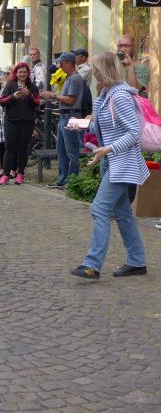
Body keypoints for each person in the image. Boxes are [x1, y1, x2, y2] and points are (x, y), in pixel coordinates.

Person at [68, 52, 149, 280]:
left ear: (103, 70)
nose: (93, 71)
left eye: (95, 67)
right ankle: (137, 261)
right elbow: (107, 127)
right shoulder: (106, 93)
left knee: (99, 209)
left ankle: (92, 265)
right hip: (112, 161)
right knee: (122, 213)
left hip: (122, 163)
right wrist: (84, 126)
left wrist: (108, 149)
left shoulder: (119, 95)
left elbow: (134, 132)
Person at [40, 52, 85, 190]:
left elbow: (71, 100)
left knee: (71, 152)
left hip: (71, 117)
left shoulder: (75, 78)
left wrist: (53, 95)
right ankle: (62, 180)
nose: (59, 66)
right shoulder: (69, 78)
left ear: (68, 63)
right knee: (61, 151)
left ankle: (71, 182)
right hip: (64, 116)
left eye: (61, 63)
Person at [0, 62, 40, 185]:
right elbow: (2, 101)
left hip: (27, 123)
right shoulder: (10, 85)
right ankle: (6, 175)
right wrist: (13, 97)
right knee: (9, 148)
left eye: (25, 72)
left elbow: (37, 103)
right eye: (20, 72)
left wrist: (29, 95)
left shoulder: (32, 87)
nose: (22, 74)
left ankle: (20, 174)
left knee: (23, 148)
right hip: (11, 121)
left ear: (28, 74)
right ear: (16, 73)